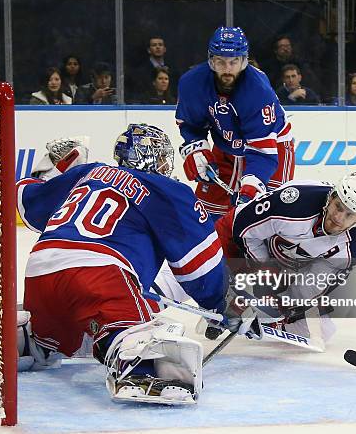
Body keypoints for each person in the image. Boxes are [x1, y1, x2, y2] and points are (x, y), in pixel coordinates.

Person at [16, 124, 227, 405]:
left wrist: (48, 172)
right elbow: (199, 265)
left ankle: (6, 343)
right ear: (151, 158)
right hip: (100, 271)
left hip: (40, 269)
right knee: (132, 331)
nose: (166, 165)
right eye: (162, 157)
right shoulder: (166, 188)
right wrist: (219, 304)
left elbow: (27, 204)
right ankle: (141, 364)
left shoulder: (86, 172)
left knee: (46, 341)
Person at [212, 170, 356, 340]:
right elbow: (242, 228)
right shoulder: (295, 203)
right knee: (203, 277)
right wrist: (263, 274)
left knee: (322, 331)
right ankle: (222, 301)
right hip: (235, 238)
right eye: (338, 206)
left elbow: (313, 284)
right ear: (331, 197)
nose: (338, 217)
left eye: (349, 215)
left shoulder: (351, 249)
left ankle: (264, 320)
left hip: (285, 268)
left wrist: (283, 311)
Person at [176, 26, 295, 220]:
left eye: (234, 62)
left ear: (244, 61)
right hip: (226, 147)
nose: (227, 69)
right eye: (220, 62)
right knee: (205, 217)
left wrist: (250, 188)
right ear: (211, 60)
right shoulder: (192, 83)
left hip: (273, 148)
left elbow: (263, 154)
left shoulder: (258, 92)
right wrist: (197, 149)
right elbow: (191, 125)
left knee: (269, 219)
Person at [127, 36, 178, 103]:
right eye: (154, 45)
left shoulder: (173, 69)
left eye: (160, 45)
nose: (158, 47)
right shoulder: (141, 72)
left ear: (164, 49)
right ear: (149, 50)